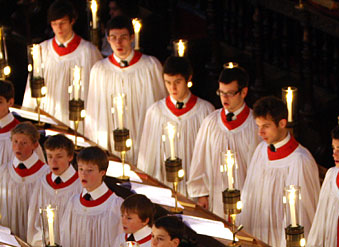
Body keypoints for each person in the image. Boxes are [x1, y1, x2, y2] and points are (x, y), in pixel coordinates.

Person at [237, 96, 320, 247]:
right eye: (258, 126)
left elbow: (302, 212)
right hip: (258, 233)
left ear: (282, 123)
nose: (260, 132)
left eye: (266, 126)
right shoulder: (261, 150)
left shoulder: (300, 160)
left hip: (282, 243)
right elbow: (249, 193)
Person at [84, 15, 165, 163]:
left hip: (143, 140)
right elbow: (94, 113)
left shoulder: (150, 66)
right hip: (112, 144)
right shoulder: (100, 70)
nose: (118, 42)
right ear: (107, 39)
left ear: (132, 37)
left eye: (123, 37)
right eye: (113, 37)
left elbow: (161, 106)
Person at [187, 64, 259, 217]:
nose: (225, 98)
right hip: (217, 200)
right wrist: (202, 194)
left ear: (244, 92)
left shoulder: (255, 125)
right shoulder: (211, 122)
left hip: (248, 203)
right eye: (221, 92)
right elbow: (200, 160)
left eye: (231, 93)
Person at [136, 56, 214, 186]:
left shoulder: (205, 111)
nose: (172, 88)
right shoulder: (155, 112)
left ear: (188, 79)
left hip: (194, 187)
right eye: (168, 82)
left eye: (177, 82)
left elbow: (210, 158)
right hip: (164, 186)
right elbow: (146, 158)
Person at [22, 0, 101, 124]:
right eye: (54, 24)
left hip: (77, 120)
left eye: (63, 23)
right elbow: (32, 87)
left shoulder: (88, 51)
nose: (59, 28)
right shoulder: (42, 50)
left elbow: (97, 91)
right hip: (48, 117)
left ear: (72, 21)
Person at [60, 146, 123, 247]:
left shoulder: (114, 205)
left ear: (103, 172)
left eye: (89, 170)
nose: (83, 174)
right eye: (80, 169)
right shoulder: (74, 202)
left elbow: (117, 246)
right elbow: (65, 236)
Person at [0, 122, 49, 245]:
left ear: (35, 145)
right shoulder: (4, 170)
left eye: (24, 143)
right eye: (15, 142)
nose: (18, 147)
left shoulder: (44, 174)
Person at [30, 133, 81, 218]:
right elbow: (34, 216)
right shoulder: (42, 183)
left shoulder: (79, 185)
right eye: (50, 157)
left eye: (59, 157)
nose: (54, 162)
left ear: (70, 157)